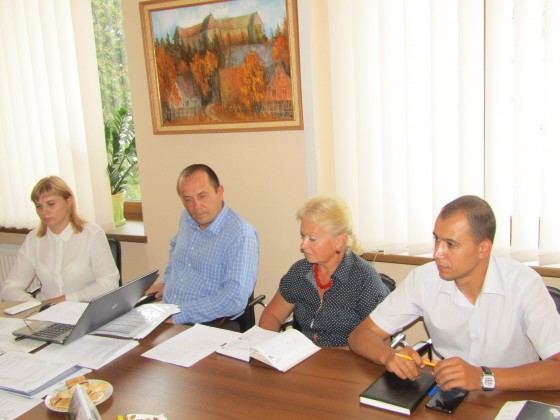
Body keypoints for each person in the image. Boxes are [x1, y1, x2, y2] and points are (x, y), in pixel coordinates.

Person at [349, 195, 560, 391]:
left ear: (483, 249)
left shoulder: (524, 284)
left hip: (512, 395)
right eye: (437, 240)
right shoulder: (424, 280)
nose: (437, 253)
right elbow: (360, 335)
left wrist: (483, 377)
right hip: (449, 394)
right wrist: (389, 356)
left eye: (451, 244)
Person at [259, 193, 390, 348]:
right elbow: (272, 315)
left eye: (312, 239)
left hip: (347, 360)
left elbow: (380, 343)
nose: (303, 245)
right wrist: (268, 347)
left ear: (339, 241)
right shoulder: (300, 271)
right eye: (303, 237)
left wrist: (324, 357)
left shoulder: (364, 279)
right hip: (302, 357)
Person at [145, 164, 259, 326]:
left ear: (219, 192)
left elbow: (234, 299)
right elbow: (175, 247)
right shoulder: (186, 218)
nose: (196, 206)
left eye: (202, 196)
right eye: (188, 199)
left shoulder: (241, 234)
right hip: (168, 312)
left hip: (209, 324)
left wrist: (178, 316)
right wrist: (167, 281)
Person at [1, 176, 119, 303]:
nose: (43, 212)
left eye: (50, 204)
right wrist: (34, 305)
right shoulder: (34, 239)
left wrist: (65, 299)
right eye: (38, 206)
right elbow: (9, 288)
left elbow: (109, 283)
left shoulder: (92, 234)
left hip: (84, 309)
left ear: (68, 201)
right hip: (46, 310)